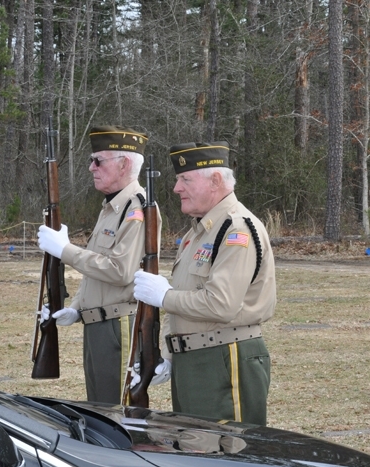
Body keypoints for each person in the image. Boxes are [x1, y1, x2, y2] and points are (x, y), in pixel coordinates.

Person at [133, 141, 276, 425]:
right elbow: (183, 304)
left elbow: (221, 304)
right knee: (193, 443)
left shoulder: (236, 229)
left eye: (185, 179)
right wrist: (168, 356)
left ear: (215, 181)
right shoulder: (196, 234)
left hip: (224, 358)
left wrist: (164, 297)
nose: (177, 188)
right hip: (192, 360)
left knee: (229, 445)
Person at [37, 125, 164, 404]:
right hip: (97, 324)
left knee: (115, 412)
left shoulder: (137, 208)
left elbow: (120, 271)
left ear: (124, 164)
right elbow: (96, 273)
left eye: (98, 161)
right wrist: (76, 308)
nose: (91, 167)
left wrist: (65, 250)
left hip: (116, 327)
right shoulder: (111, 208)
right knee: (99, 407)